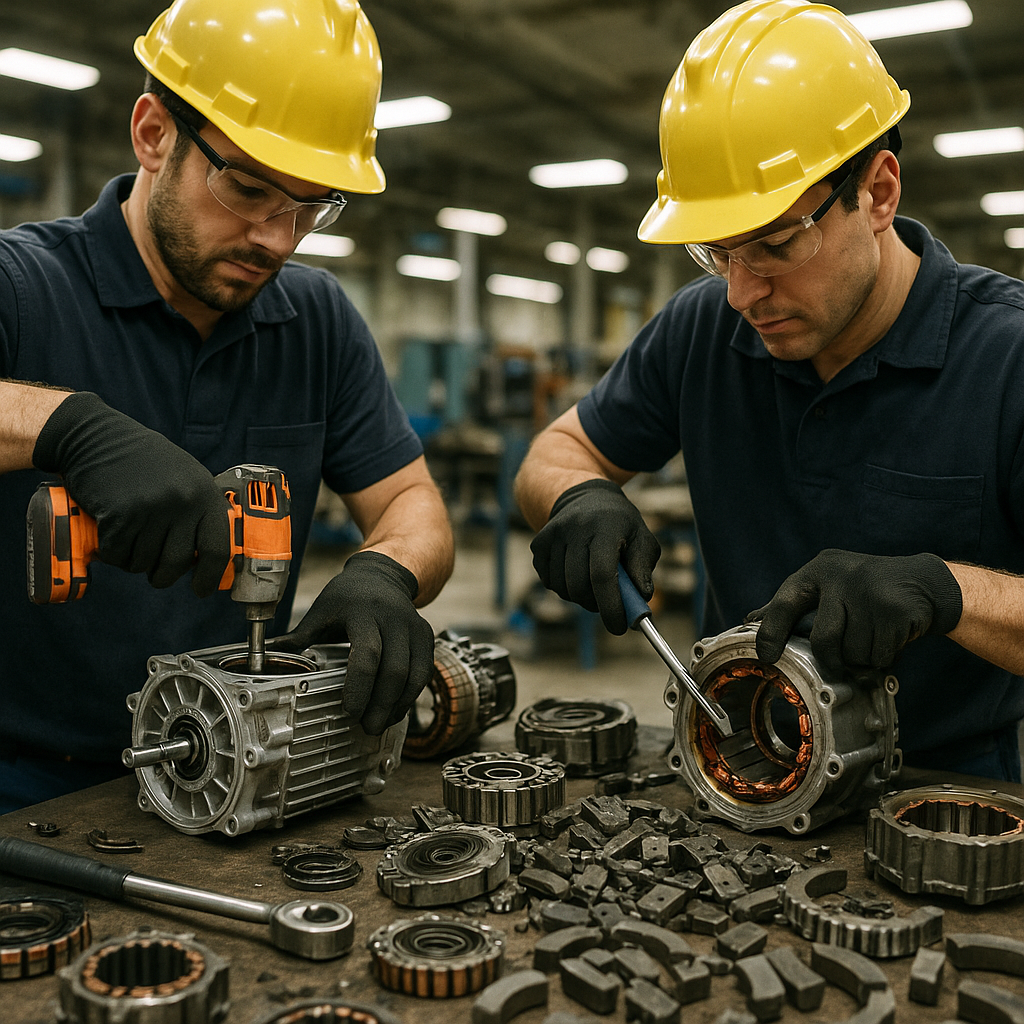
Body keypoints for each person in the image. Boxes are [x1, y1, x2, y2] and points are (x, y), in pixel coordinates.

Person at [515, 0, 1024, 782]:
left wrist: (945, 592)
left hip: (943, 788)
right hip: (735, 766)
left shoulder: (1008, 356)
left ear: (879, 192)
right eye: (716, 254)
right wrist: (577, 497)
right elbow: (558, 451)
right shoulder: (702, 331)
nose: (742, 295)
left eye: (777, 244)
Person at [0, 0, 454, 813]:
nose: (278, 238)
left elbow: (413, 503)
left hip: (238, 770)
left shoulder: (316, 320)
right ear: (152, 133)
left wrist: (388, 571)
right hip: (25, 780)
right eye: (247, 187)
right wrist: (69, 425)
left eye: (310, 206)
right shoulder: (24, 286)